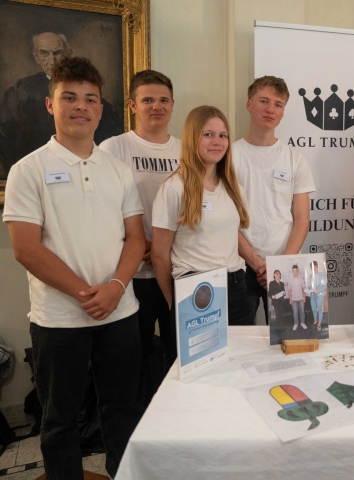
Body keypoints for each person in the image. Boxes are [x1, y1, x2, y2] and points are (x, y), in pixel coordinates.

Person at [2, 57, 145, 480]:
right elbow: (26, 249)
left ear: (100, 109)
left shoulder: (119, 170)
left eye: (90, 99)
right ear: (51, 104)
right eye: (70, 97)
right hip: (59, 319)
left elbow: (136, 238)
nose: (81, 106)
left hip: (120, 312)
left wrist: (115, 288)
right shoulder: (27, 170)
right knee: (59, 419)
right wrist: (88, 293)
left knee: (122, 410)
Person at [100, 70, 180, 382]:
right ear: (133, 106)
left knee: (179, 354)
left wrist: (162, 249)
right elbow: (104, 208)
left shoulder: (186, 150)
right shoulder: (114, 148)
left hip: (177, 268)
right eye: (147, 100)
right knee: (136, 357)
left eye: (163, 100)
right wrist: (142, 246)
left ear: (172, 104)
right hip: (133, 272)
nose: (156, 106)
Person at [151, 106, 253, 326]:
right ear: (192, 138)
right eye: (208, 134)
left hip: (235, 285)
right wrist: (174, 302)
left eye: (223, 135)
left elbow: (228, 235)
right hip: (196, 289)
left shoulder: (233, 187)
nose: (217, 142)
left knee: (243, 348)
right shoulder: (175, 188)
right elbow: (159, 255)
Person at [234, 76, 315, 322]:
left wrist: (280, 266)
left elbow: (302, 220)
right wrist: (256, 263)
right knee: (240, 338)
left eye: (278, 104)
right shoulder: (228, 157)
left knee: (287, 339)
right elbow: (224, 219)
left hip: (286, 265)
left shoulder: (295, 159)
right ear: (249, 105)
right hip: (240, 264)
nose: (271, 109)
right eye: (264, 101)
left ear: (283, 112)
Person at [0, 32, 122, 177]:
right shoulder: (19, 90)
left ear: (68, 53)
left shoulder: (120, 171)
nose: (52, 60)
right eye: (44, 53)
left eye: (57, 53)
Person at [307, 260, 327, 330]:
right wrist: (307, 289)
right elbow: (310, 286)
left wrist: (318, 291)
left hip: (319, 294)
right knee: (313, 309)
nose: (314, 269)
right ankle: (315, 321)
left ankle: (319, 323)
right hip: (313, 295)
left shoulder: (321, 275)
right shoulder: (310, 276)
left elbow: (325, 285)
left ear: (317, 267)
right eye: (312, 267)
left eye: (315, 267)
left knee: (320, 309)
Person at [287, 265, 306, 330]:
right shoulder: (290, 280)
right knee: (295, 313)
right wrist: (290, 299)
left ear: (298, 271)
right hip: (293, 300)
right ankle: (296, 324)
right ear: (292, 271)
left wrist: (304, 297)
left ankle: (302, 323)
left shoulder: (301, 279)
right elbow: (289, 291)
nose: (295, 272)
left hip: (301, 299)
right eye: (294, 271)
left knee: (302, 312)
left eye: (296, 270)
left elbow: (303, 289)